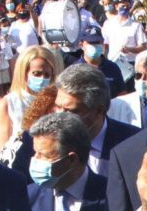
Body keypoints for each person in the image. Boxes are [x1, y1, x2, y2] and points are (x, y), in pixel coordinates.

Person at [11, 64, 139, 179]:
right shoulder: (34, 141)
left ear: (100, 110)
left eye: (71, 111)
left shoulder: (132, 143)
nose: (59, 117)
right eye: (57, 107)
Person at [0, 44, 61, 154]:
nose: (42, 79)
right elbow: (3, 148)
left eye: (47, 74)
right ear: (24, 73)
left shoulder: (57, 101)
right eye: (36, 73)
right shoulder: (8, 103)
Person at [102, 0, 147, 69]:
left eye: (127, 6)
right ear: (116, 7)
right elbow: (105, 44)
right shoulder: (108, 24)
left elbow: (143, 46)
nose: (125, 8)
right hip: (112, 63)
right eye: (122, 6)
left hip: (130, 63)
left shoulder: (136, 25)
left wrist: (129, 49)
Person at [76, 25, 124, 97]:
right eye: (91, 43)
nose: (95, 45)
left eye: (97, 42)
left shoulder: (113, 67)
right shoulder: (75, 70)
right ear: (81, 45)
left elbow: (122, 93)